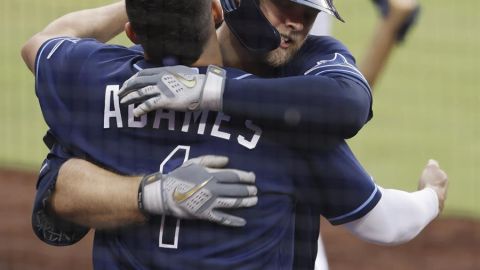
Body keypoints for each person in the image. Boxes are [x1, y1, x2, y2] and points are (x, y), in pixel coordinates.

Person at [21, 1, 448, 270]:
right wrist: (431, 195)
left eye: (308, 11)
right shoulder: (291, 124)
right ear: (220, 8)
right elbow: (386, 221)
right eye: (281, 5)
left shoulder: (105, 82)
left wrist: (207, 83)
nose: (297, 24)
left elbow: (46, 43)